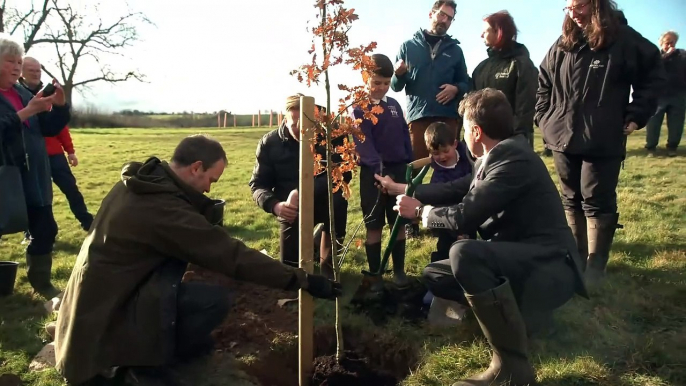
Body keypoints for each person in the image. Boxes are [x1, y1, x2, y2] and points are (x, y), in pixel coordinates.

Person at [55, 135, 342, 386]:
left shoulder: (142, 183)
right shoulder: (162, 208)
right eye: (210, 180)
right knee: (211, 301)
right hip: (102, 327)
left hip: (98, 302)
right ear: (195, 167)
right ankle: (137, 366)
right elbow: (231, 256)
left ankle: (151, 350)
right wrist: (302, 279)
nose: (207, 189)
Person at [383, 88, 587, 386]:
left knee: (463, 254)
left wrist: (420, 213)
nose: (464, 135)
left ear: (475, 131)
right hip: (527, 261)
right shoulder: (496, 156)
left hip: (550, 271)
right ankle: (521, 322)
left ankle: (511, 367)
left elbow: (464, 214)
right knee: (437, 273)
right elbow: (455, 189)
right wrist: (404, 189)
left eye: (464, 129)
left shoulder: (512, 160)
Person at [535, 0, 665, 287]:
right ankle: (576, 257)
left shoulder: (623, 39)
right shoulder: (563, 42)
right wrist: (544, 118)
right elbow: (542, 80)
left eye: (579, 5)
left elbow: (654, 76)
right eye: (568, 7)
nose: (573, 13)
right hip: (561, 138)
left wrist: (636, 114)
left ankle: (595, 266)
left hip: (603, 138)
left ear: (597, 4)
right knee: (570, 198)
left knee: (596, 200)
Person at [391, 0, 470, 238]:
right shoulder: (408, 46)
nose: (445, 20)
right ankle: (411, 221)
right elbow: (396, 86)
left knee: (450, 167)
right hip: (419, 116)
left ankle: (452, 216)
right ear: (431, 14)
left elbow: (466, 82)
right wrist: (398, 75)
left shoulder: (455, 50)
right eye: (442, 15)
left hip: (447, 117)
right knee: (418, 169)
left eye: (450, 18)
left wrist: (456, 89)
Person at [0, 34, 70, 299]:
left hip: (34, 174)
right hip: (5, 174)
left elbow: (48, 128)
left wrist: (59, 106)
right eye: (10, 61)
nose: (17, 66)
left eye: (19, 61)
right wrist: (27, 112)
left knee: (45, 228)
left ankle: (42, 283)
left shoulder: (20, 92)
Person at [249, 94, 349, 278]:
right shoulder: (270, 143)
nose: (303, 132)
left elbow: (344, 175)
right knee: (291, 271)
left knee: (338, 199)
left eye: (309, 126)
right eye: (296, 126)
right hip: (292, 210)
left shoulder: (332, 136)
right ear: (284, 120)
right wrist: (275, 205)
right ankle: (308, 250)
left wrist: (302, 191)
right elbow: (258, 184)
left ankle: (328, 265)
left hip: (326, 201)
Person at [351, 53, 413, 288]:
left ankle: (398, 271)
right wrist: (379, 172)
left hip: (398, 172)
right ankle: (375, 274)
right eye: (377, 83)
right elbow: (364, 144)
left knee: (398, 223)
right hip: (373, 175)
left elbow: (404, 138)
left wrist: (409, 164)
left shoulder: (394, 105)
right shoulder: (359, 109)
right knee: (374, 225)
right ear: (366, 77)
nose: (382, 88)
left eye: (386, 84)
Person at [20, 56, 94, 231]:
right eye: (31, 70)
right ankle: (34, 231)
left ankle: (88, 223)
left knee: (71, 189)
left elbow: (61, 128)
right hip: (30, 156)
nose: (36, 74)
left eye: (38, 70)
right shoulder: (16, 96)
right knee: (35, 196)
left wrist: (70, 151)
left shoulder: (51, 94)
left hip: (54, 155)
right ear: (22, 73)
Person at [472, 11, 538, 148]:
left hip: (512, 142)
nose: (481, 35)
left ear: (499, 32)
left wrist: (516, 139)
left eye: (486, 31)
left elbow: (525, 108)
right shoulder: (480, 68)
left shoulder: (521, 65)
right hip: (482, 142)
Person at [644, 30, 686, 157]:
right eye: (667, 43)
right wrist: (667, 55)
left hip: (679, 94)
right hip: (658, 95)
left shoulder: (682, 54)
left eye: (672, 42)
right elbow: (650, 68)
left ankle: (672, 147)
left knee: (676, 123)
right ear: (661, 43)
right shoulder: (655, 55)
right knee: (653, 123)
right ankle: (651, 147)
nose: (670, 45)